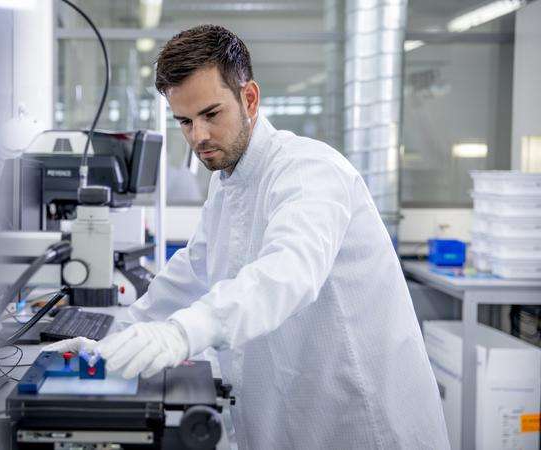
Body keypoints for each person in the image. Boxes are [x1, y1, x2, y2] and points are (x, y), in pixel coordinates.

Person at [45, 24, 450, 449]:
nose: (198, 136)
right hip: (288, 419)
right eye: (184, 121)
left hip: (362, 423)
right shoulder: (228, 180)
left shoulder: (309, 170)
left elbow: (288, 272)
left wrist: (183, 332)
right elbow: (192, 271)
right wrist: (111, 338)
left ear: (249, 98)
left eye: (211, 114)